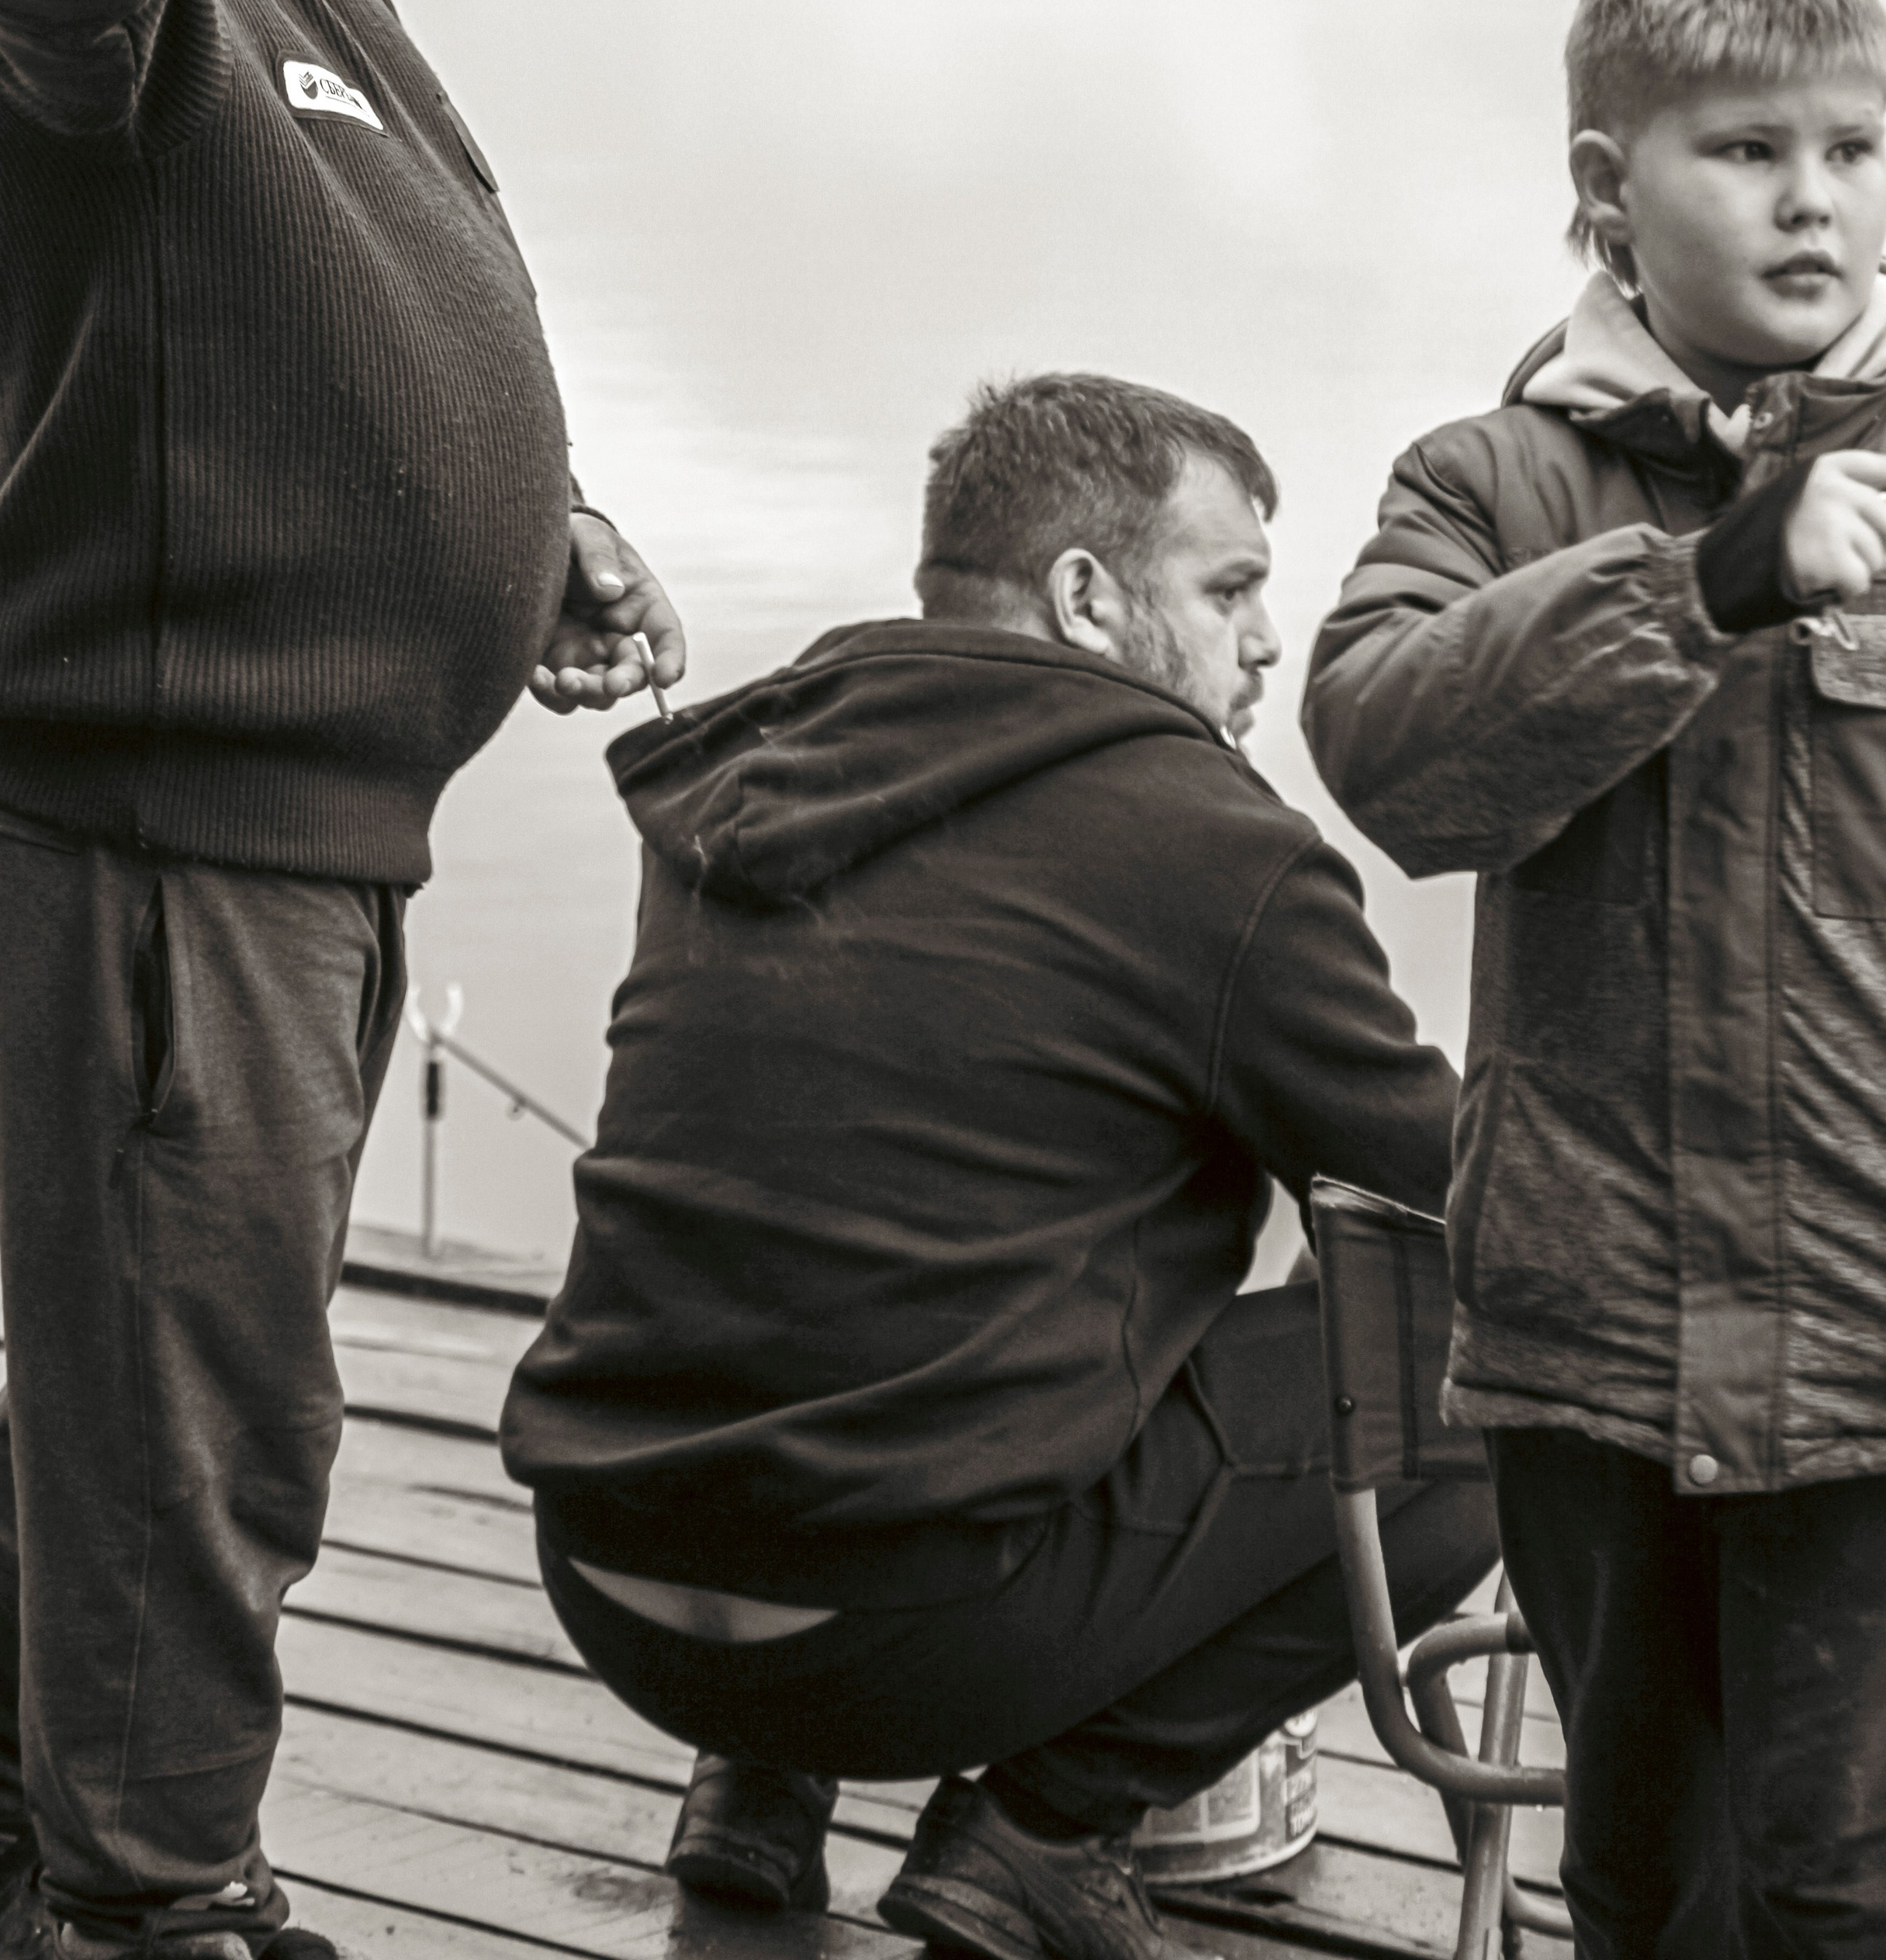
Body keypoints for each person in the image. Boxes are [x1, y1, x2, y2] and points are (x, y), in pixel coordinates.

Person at [0, 0, 683, 1960]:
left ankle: (60, 1835)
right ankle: (158, 1906)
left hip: (296, 834)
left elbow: (320, 300)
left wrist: (538, 527)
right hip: (165, 845)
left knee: (140, 1402)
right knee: (199, 1428)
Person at [501, 371, 1495, 1960]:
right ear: (1087, 597)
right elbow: (1455, 1202)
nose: (1260, 643)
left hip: (610, 1582)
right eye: (1230, 588)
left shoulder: (761, 764)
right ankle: (1047, 1827)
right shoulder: (1212, 841)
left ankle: (753, 1786)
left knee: (849, 1245)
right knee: (1469, 1373)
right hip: (898, 1642)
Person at [1306, 0, 1886, 1960]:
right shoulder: (1491, 481)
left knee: (1861, 1901)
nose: (1816, 203)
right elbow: (1387, 755)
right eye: (1749, 149)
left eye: (1852, 150)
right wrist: (1696, 586)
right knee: (1651, 1887)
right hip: (1598, 1355)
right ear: (1608, 193)